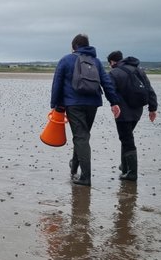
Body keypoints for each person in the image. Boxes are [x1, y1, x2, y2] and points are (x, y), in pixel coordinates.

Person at [50, 33, 121, 186]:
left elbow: (57, 83)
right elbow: (106, 82)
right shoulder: (95, 61)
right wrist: (114, 102)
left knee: (81, 137)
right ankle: (74, 166)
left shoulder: (66, 59)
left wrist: (54, 105)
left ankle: (86, 177)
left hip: (73, 103)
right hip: (93, 104)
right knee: (82, 135)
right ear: (87, 45)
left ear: (73, 46)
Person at [107, 51, 159, 183]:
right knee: (126, 138)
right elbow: (150, 90)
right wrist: (152, 108)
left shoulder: (114, 73)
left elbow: (110, 91)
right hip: (137, 111)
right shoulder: (139, 70)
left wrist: (113, 104)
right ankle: (125, 166)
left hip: (122, 112)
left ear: (112, 62)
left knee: (127, 140)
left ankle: (132, 173)